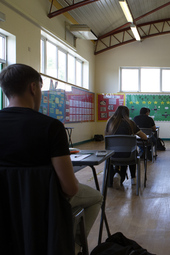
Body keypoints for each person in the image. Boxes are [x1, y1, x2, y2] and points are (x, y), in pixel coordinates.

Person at [0, 64, 102, 254]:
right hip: (43, 206)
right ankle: (73, 246)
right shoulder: (50, 127)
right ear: (33, 88)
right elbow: (70, 189)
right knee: (96, 197)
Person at [105, 106, 147, 188]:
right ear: (127, 113)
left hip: (111, 155)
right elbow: (144, 137)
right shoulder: (130, 123)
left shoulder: (109, 122)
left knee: (118, 153)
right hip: (128, 155)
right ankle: (133, 178)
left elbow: (106, 136)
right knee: (133, 151)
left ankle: (115, 174)